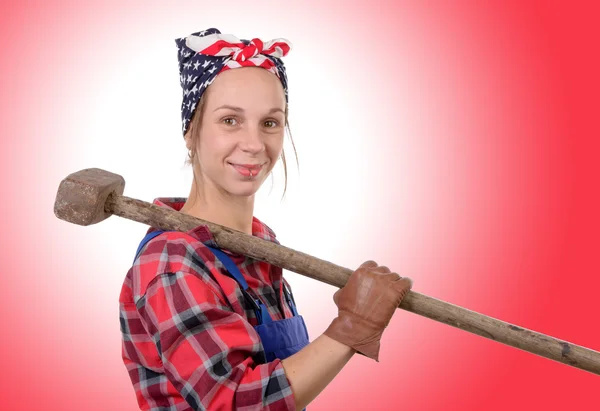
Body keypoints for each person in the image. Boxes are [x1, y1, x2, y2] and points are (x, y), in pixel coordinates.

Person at [119, 28, 413, 411]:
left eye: (270, 123)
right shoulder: (174, 266)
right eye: (230, 121)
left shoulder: (261, 246)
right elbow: (235, 402)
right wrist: (352, 327)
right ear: (191, 131)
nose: (255, 144)